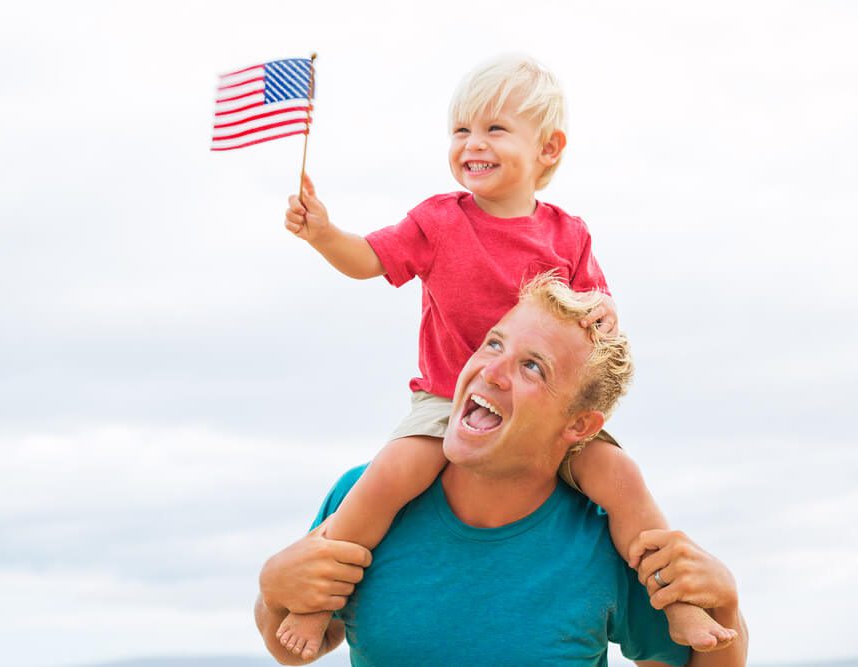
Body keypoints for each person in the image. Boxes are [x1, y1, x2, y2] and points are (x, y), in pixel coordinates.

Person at [277, 54, 730, 658]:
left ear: (548, 148)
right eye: (460, 130)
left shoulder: (568, 234)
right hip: (445, 398)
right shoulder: (438, 220)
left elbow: (594, 310)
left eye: (494, 129)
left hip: (541, 416)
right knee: (387, 479)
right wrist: (324, 235)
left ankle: (679, 602)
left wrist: (607, 312)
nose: (472, 144)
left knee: (621, 479)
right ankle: (316, 604)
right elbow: (370, 261)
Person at [255, 275, 748, 665]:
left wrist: (725, 604)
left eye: (533, 367)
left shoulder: (605, 537)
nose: (490, 371)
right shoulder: (366, 497)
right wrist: (273, 590)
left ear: (579, 424)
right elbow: (298, 647)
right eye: (494, 344)